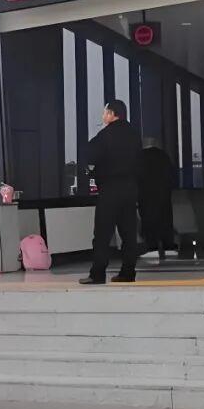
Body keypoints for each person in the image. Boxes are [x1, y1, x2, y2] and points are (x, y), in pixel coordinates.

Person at [81, 100, 143, 284]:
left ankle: (98, 273)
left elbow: (90, 154)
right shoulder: (134, 135)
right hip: (130, 189)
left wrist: (94, 172)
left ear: (112, 114)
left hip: (109, 189)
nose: (103, 116)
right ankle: (128, 272)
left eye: (105, 112)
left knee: (102, 234)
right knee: (128, 234)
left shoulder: (105, 135)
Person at [139, 139, 177, 260]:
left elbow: (137, 176)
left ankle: (152, 248)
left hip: (147, 194)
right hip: (164, 194)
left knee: (149, 220)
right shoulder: (164, 156)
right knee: (166, 220)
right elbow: (172, 175)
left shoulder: (141, 157)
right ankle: (169, 247)